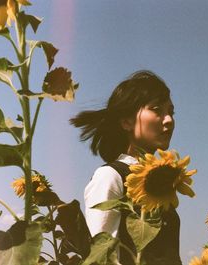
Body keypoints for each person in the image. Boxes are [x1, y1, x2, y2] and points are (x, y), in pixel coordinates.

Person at [70, 70, 181, 265]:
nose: (169, 120)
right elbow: (102, 256)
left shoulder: (163, 183)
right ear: (126, 121)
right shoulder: (110, 176)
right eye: (157, 109)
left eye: (170, 112)